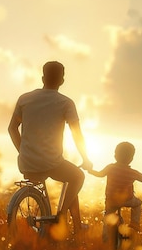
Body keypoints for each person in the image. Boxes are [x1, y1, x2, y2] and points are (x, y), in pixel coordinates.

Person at [8, 61, 92, 233]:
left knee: (70, 182)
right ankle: (61, 217)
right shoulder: (65, 103)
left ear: (42, 77)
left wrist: (23, 151)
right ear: (62, 80)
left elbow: (12, 128)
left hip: (26, 163)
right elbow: (77, 134)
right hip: (52, 164)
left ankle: (76, 226)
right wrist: (86, 158)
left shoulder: (25, 99)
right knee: (77, 176)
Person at [88, 141, 142, 235]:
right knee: (138, 204)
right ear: (131, 158)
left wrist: (91, 171)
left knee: (108, 217)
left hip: (111, 200)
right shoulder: (132, 172)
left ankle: (105, 237)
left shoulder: (110, 168)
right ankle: (135, 223)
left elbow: (100, 174)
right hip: (127, 199)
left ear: (115, 155)